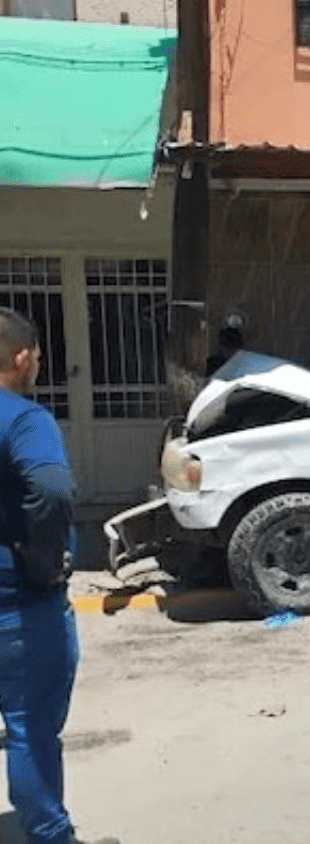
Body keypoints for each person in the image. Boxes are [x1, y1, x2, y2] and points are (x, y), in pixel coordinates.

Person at [0, 308, 116, 844]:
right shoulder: (24, 419)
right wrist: (42, 559)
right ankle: (51, 835)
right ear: (21, 357)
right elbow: (51, 490)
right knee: (30, 726)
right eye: (39, 358)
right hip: (19, 605)